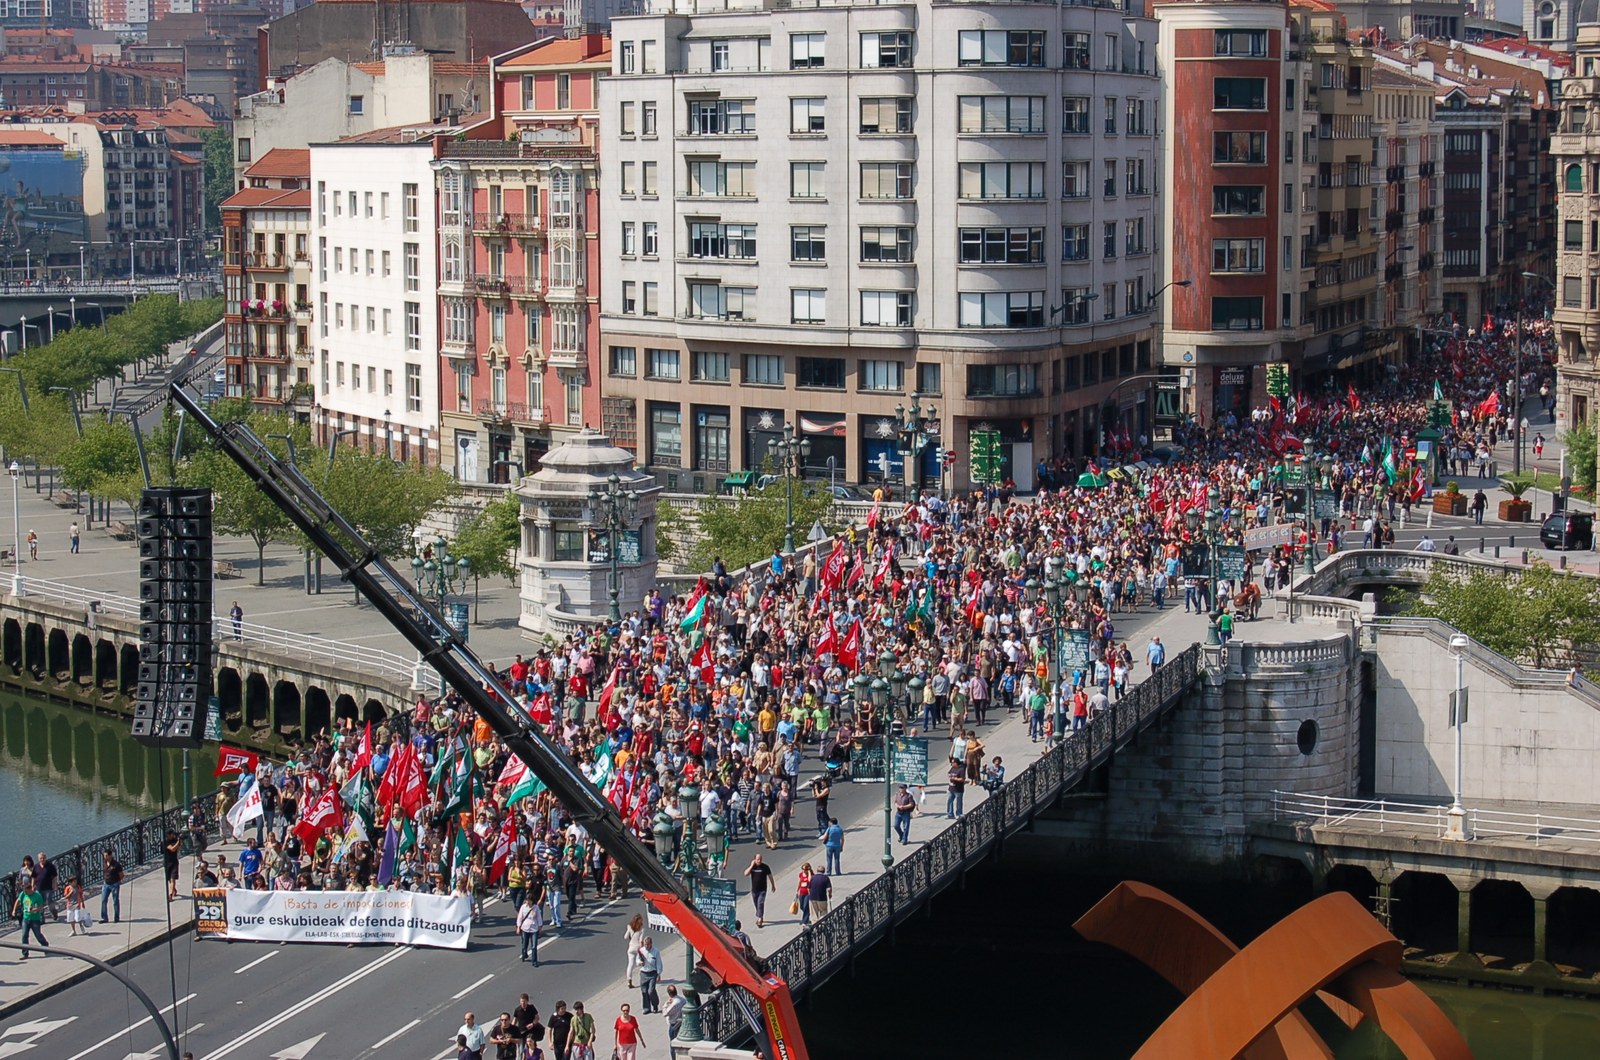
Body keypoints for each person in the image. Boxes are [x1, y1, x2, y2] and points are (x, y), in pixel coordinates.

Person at [12, 877, 46, 958]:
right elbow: (18, 901)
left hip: (35, 919)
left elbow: (41, 906)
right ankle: (25, 953)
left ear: (30, 889)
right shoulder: (23, 894)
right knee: (24, 935)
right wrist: (14, 910)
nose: (25, 892)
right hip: (26, 918)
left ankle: (45, 946)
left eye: (26, 891)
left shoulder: (37, 895)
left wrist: (36, 909)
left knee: (38, 935)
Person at [744, 852, 775, 927]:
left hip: (762, 890)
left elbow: (770, 876)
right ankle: (760, 915)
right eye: (758, 859)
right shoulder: (753, 867)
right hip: (754, 890)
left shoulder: (765, 867)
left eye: (760, 859)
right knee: (756, 904)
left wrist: (773, 885)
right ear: (754, 860)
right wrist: (751, 865)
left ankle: (759, 919)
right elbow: (745, 874)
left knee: (760, 903)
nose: (759, 861)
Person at [635, 936, 663, 1013]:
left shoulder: (656, 951)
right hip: (644, 973)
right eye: (645, 944)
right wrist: (640, 963)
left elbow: (659, 963)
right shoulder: (641, 950)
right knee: (644, 991)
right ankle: (646, 1008)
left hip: (652, 973)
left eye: (648, 944)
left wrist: (658, 974)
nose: (647, 946)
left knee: (651, 991)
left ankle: (655, 1005)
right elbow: (637, 960)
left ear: (651, 944)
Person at [516, 892, 545, 965]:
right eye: (526, 900)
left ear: (532, 901)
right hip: (524, 928)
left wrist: (540, 927)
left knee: (534, 946)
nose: (527, 902)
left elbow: (539, 918)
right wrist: (518, 927)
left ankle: (534, 961)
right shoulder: (523, 907)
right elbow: (520, 917)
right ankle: (524, 954)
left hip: (534, 929)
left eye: (529, 900)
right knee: (524, 944)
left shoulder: (536, 908)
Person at [101, 848, 123, 923]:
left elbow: (121, 875)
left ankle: (116, 918)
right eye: (104, 856)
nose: (105, 857)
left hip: (114, 884)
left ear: (110, 856)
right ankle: (104, 918)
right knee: (103, 900)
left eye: (106, 855)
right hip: (106, 884)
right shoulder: (104, 863)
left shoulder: (116, 865)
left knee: (115, 901)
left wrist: (118, 881)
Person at [623, 911, 645, 986]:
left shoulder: (629, 926)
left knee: (630, 965)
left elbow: (625, 937)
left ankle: (629, 981)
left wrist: (629, 931)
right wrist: (642, 949)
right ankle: (645, 977)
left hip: (631, 948)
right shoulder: (641, 929)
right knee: (641, 962)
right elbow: (641, 941)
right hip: (637, 948)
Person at [163, 829, 182, 901]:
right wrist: (178, 842)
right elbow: (172, 849)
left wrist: (179, 842)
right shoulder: (165, 842)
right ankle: (174, 889)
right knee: (169, 879)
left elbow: (179, 848)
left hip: (174, 862)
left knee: (173, 878)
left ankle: (170, 895)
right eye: (171, 834)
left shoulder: (174, 840)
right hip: (167, 862)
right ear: (168, 835)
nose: (172, 835)